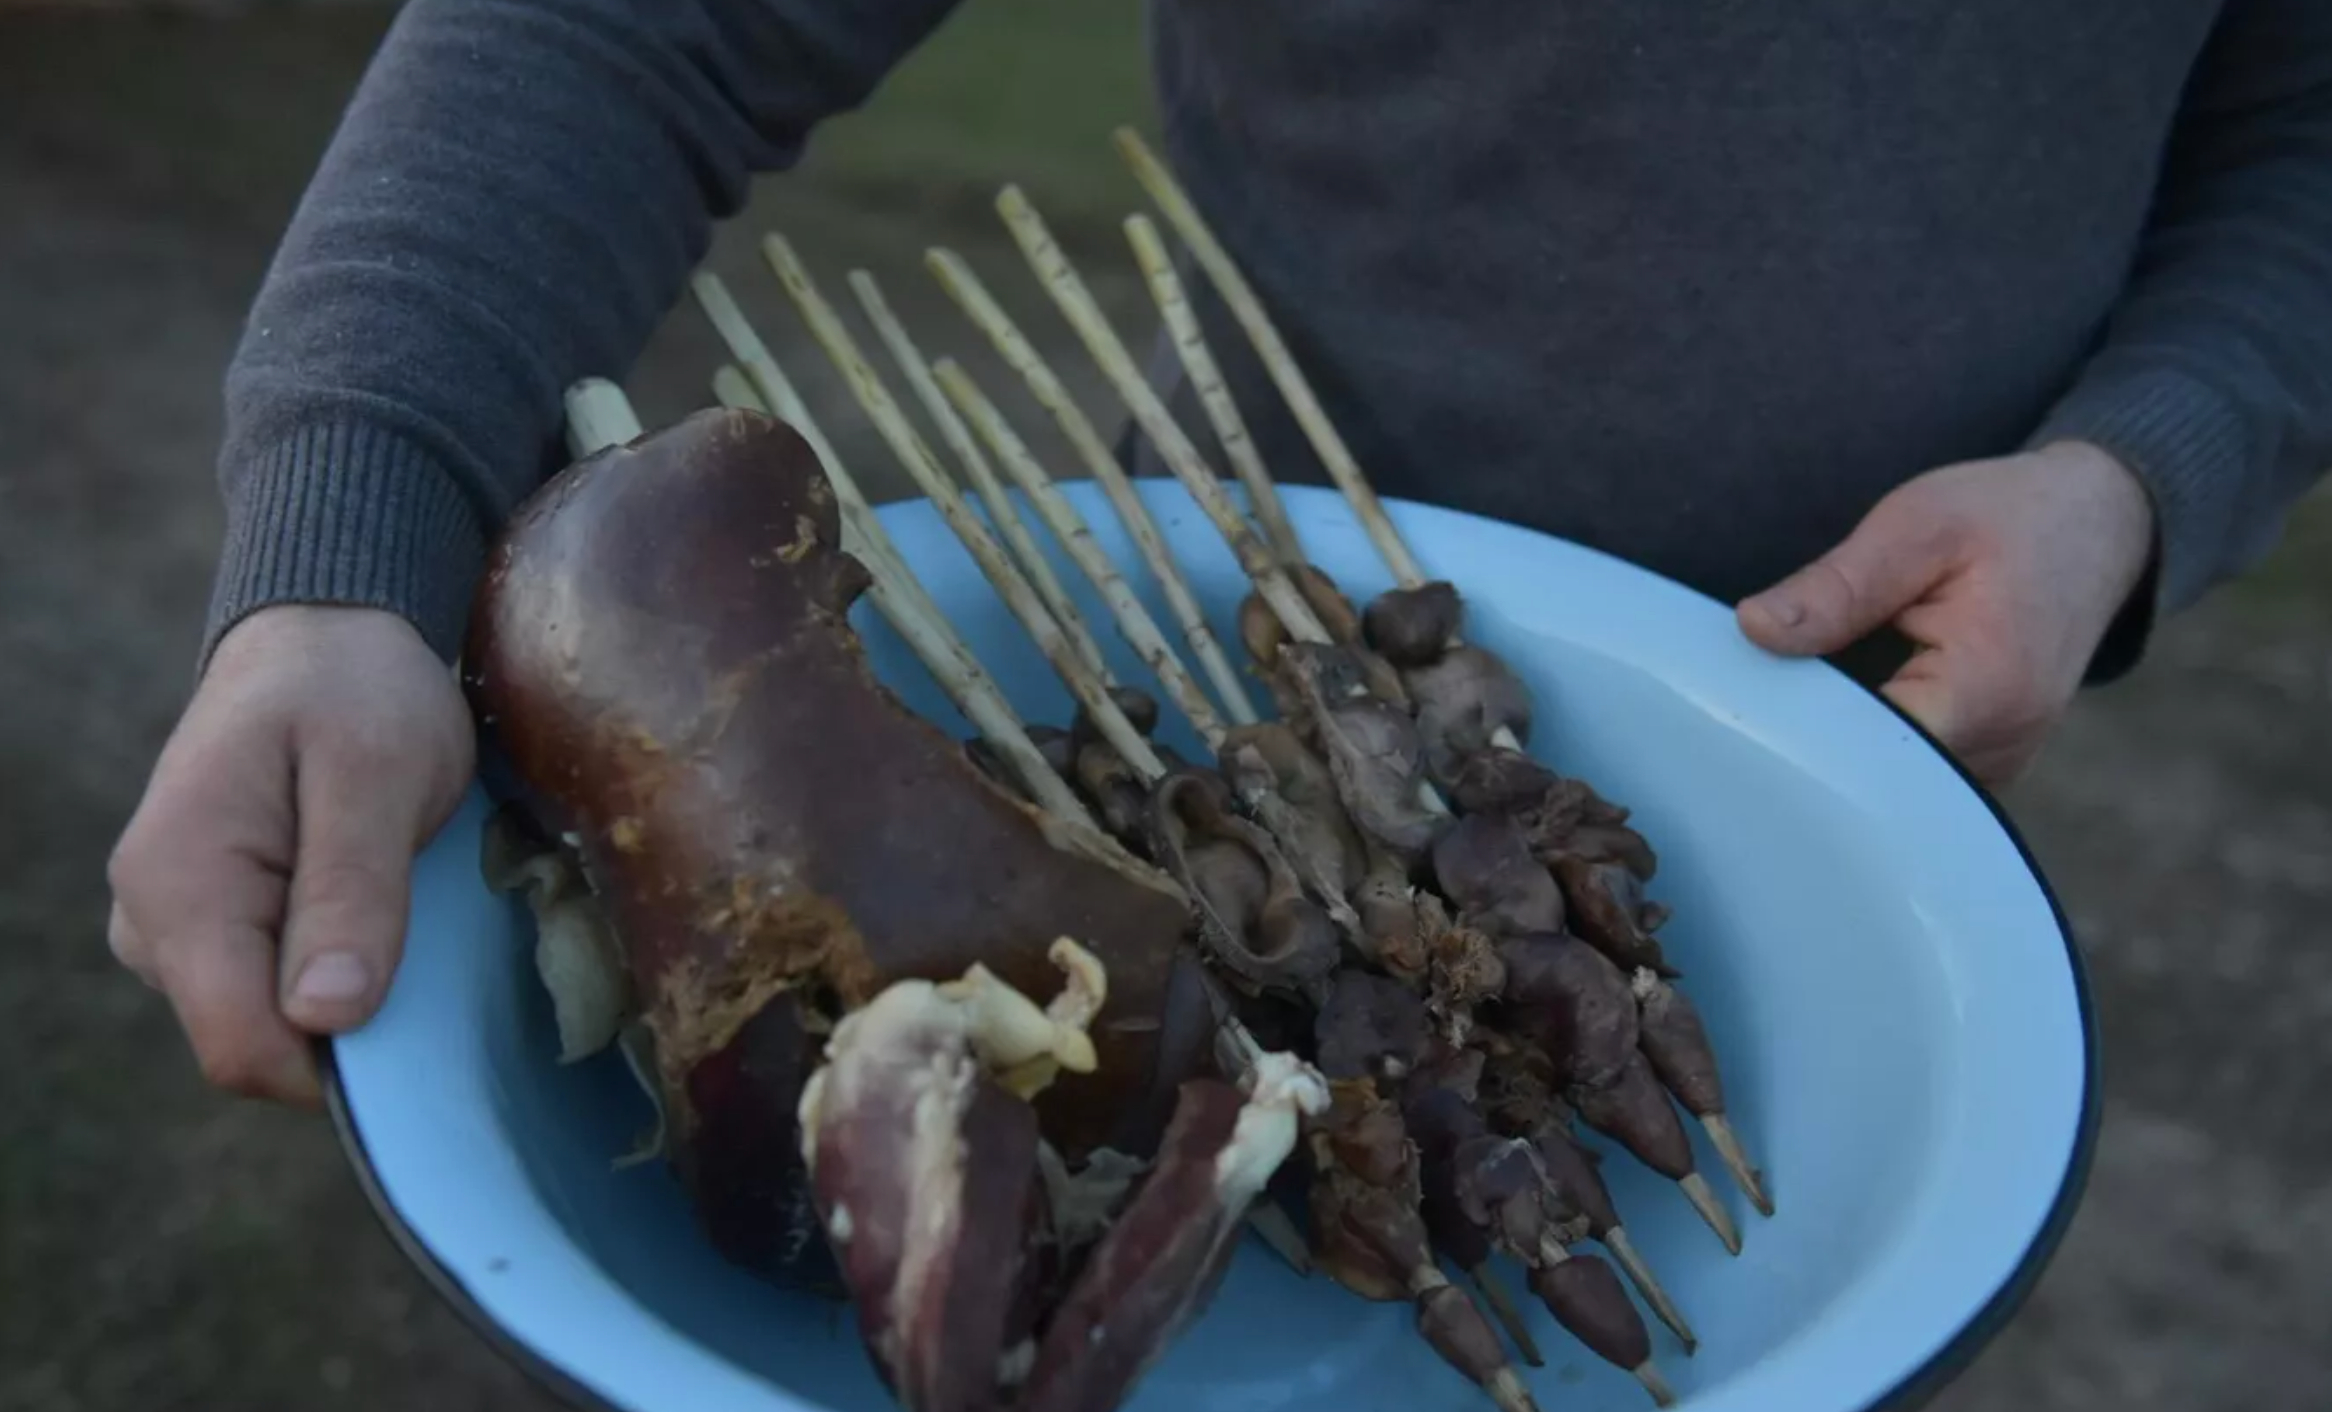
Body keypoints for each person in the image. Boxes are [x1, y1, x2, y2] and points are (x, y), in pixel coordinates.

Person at [105, 0, 2332, 1108]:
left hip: (1896, 775)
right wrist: (343, 539)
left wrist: (2142, 467)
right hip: (1193, 696)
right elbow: (630, 24)